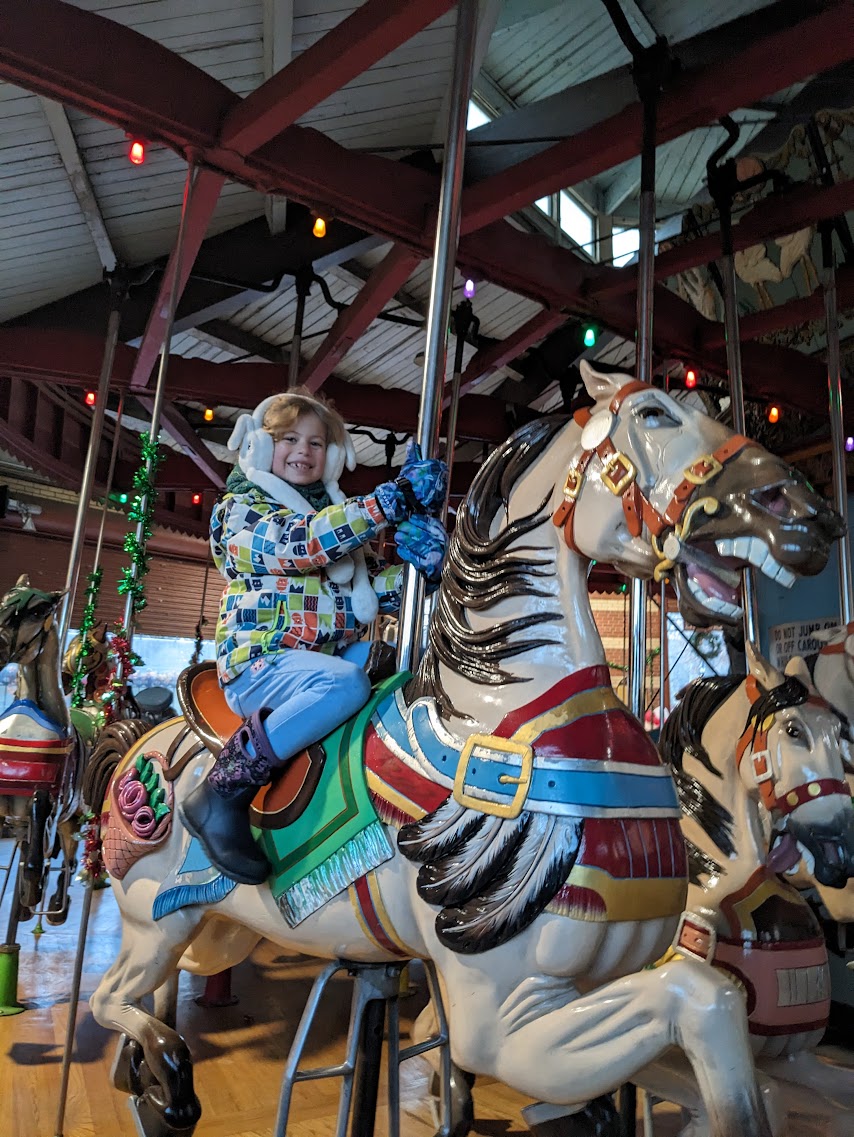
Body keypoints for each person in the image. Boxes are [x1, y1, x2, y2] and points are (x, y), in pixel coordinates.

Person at [181, 387, 449, 885]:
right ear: (260, 447)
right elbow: (301, 543)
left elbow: (370, 594)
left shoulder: (336, 520)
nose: (304, 451)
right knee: (345, 684)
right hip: (261, 664)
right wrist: (390, 501)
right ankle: (223, 790)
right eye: (289, 439)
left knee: (397, 668)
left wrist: (427, 568)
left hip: (325, 654)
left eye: (317, 443)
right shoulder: (241, 511)